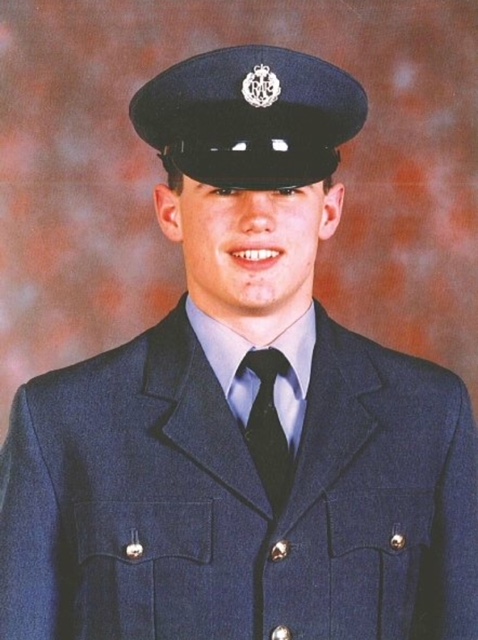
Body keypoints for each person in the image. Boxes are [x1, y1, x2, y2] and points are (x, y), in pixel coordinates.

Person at [0, 45, 477, 640]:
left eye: (287, 190)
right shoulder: (64, 426)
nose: (257, 218)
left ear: (330, 211)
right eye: (225, 190)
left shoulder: (429, 416)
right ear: (170, 212)